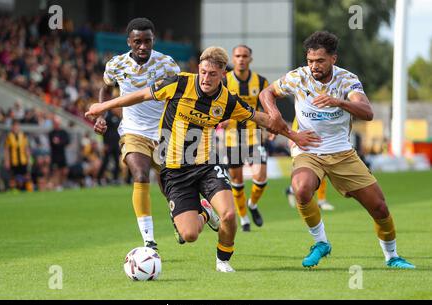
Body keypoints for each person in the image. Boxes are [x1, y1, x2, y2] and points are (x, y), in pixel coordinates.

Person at [85, 46, 320, 272]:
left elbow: (263, 119)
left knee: (228, 215)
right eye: (204, 72)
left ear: (222, 75)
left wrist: (294, 135)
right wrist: (102, 106)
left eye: (213, 74)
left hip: (206, 165)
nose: (206, 78)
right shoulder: (177, 83)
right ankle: (206, 211)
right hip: (174, 171)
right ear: (199, 68)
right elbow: (139, 96)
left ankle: (223, 260)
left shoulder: (228, 100)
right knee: (189, 235)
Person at [259, 31, 415, 269]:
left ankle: (392, 256)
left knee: (379, 207)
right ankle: (321, 243)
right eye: (310, 60)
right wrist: (275, 113)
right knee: (300, 189)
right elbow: (266, 92)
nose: (313, 66)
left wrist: (339, 101)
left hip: (342, 153)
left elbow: (367, 112)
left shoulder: (346, 80)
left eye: (320, 61)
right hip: (308, 149)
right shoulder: (299, 76)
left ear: (333, 58)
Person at [93, 18, 180, 251]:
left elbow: (178, 96)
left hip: (163, 134)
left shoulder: (168, 64)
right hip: (133, 131)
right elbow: (106, 87)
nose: (143, 46)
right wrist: (102, 115)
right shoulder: (116, 65)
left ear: (153, 40)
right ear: (129, 42)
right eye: (138, 41)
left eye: (147, 41)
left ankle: (178, 216)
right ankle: (149, 240)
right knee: (140, 175)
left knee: (169, 186)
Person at [219, 45, 270, 232]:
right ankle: (243, 218)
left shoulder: (261, 82)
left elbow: (267, 107)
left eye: (245, 56)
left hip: (255, 137)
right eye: (238, 56)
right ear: (233, 59)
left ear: (250, 59)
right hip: (232, 139)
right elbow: (217, 106)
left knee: (260, 177)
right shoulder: (224, 81)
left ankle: (253, 204)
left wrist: (270, 125)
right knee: (237, 181)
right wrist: (222, 120)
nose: (241, 59)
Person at [286, 118, 335, 211]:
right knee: (308, 172)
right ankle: (318, 201)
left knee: (319, 170)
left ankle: (292, 190)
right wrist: (292, 137)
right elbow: (297, 122)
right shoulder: (302, 110)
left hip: (314, 139)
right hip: (301, 141)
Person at [4, 120, 33, 191]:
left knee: (26, 176)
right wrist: (7, 161)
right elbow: (7, 150)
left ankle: (29, 189)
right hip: (13, 160)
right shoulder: (9, 136)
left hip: (23, 159)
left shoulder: (23, 135)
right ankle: (14, 190)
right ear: (12, 127)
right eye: (14, 126)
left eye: (17, 126)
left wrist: (29, 159)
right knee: (14, 177)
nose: (16, 127)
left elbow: (26, 148)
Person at [96, 110, 121, 185]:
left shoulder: (118, 117)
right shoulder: (108, 117)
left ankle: (115, 179)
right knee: (105, 162)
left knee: (117, 162)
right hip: (109, 144)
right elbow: (104, 132)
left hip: (116, 144)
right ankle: (98, 178)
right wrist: (105, 144)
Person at [49, 116, 70, 191]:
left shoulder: (63, 132)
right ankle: (57, 185)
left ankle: (61, 184)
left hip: (62, 154)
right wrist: (58, 143)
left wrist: (59, 142)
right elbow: (52, 143)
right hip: (55, 155)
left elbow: (67, 141)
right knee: (56, 171)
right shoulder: (51, 133)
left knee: (64, 171)